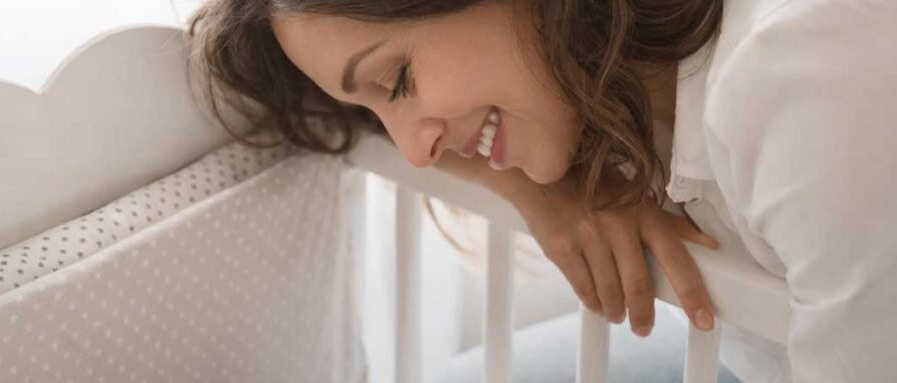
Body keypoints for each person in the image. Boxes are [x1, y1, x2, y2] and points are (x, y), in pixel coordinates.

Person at [186, 0, 897, 381]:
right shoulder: (622, 77)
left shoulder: (801, 79)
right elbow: (304, 109)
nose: (414, 150)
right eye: (379, 111)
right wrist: (534, 186)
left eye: (398, 81)